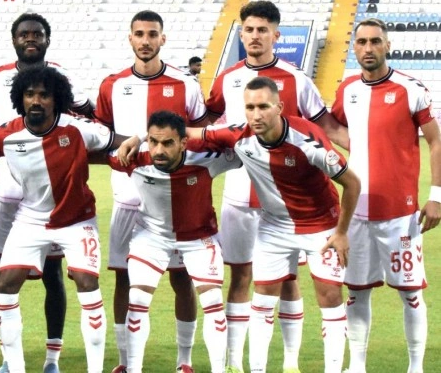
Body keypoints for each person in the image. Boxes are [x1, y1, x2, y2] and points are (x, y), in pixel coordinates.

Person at [123, 76, 358, 373]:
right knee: (262, 301)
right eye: (250, 107)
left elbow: (352, 183)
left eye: (263, 107)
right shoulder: (237, 135)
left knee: (330, 297)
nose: (256, 115)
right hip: (274, 226)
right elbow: (186, 132)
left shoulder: (308, 141)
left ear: (279, 108)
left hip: (320, 225)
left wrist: (341, 232)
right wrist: (139, 137)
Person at [199, 0, 348, 373]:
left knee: (288, 280)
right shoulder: (226, 78)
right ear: (241, 34)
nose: (255, 36)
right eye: (249, 29)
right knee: (240, 276)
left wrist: (367, 152)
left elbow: (325, 127)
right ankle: (234, 363)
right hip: (239, 196)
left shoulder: (297, 80)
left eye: (262, 30)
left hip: (288, 204)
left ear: (275, 35)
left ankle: (291, 362)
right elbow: (208, 127)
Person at [0, 65, 133, 373]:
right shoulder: (6, 134)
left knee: (87, 282)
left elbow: (118, 140)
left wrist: (141, 140)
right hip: (29, 219)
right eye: (29, 94)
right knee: (6, 283)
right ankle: (16, 368)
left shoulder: (78, 128)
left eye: (44, 95)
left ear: (56, 99)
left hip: (76, 220)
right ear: (20, 98)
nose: (36, 101)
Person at [0, 12, 94, 373]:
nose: (31, 39)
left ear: (47, 40)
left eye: (37, 34)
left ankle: (52, 358)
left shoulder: (60, 76)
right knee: (5, 275)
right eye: (24, 34)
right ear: (14, 39)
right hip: (7, 189)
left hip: (50, 191)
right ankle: (9, 359)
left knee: (54, 275)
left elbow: (87, 114)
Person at [94, 9, 208, 373]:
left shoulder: (185, 84)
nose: (146, 41)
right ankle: (125, 361)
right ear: (130, 38)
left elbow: (200, 134)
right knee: (123, 278)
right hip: (127, 200)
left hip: (173, 203)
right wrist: (124, 147)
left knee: (181, 278)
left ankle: (184, 360)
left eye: (152, 34)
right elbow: (101, 135)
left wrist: (146, 140)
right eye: (139, 34)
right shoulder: (112, 85)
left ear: (163, 38)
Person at [332, 18, 441, 373]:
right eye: (362, 42)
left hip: (400, 214)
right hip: (356, 212)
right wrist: (357, 144)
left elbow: (436, 141)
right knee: (356, 291)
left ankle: (415, 367)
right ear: (354, 47)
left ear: (387, 45)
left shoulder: (411, 88)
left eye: (375, 41)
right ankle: (357, 366)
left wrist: (437, 195)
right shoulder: (347, 89)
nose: (368, 48)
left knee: (410, 294)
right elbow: (331, 125)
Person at [106, 110, 241, 373]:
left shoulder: (206, 159)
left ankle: (193, 364)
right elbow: (93, 149)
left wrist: (212, 131)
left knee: (212, 300)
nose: (159, 150)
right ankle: (133, 369)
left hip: (199, 237)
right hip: (152, 237)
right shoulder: (133, 158)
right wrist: (136, 139)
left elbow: (243, 143)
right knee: (137, 298)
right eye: (153, 142)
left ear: (183, 142)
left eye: (168, 143)